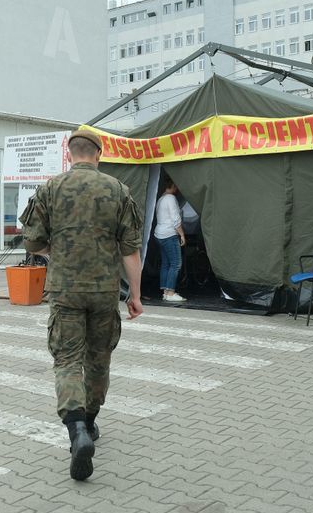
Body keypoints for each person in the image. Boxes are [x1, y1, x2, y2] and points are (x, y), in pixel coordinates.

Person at [19, 129, 144, 482]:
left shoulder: (50, 188)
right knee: (99, 358)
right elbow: (130, 249)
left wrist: (52, 252)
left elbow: (32, 242)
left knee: (68, 359)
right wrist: (135, 295)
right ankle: (90, 420)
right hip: (104, 291)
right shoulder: (119, 190)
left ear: (69, 153)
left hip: (66, 290)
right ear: (99, 155)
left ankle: (76, 431)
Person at [154, 180, 187, 302]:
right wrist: (182, 235)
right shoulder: (171, 198)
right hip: (169, 234)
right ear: (172, 185)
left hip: (159, 234)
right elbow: (175, 219)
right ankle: (171, 293)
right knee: (176, 264)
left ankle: (165, 292)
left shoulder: (161, 199)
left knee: (166, 264)